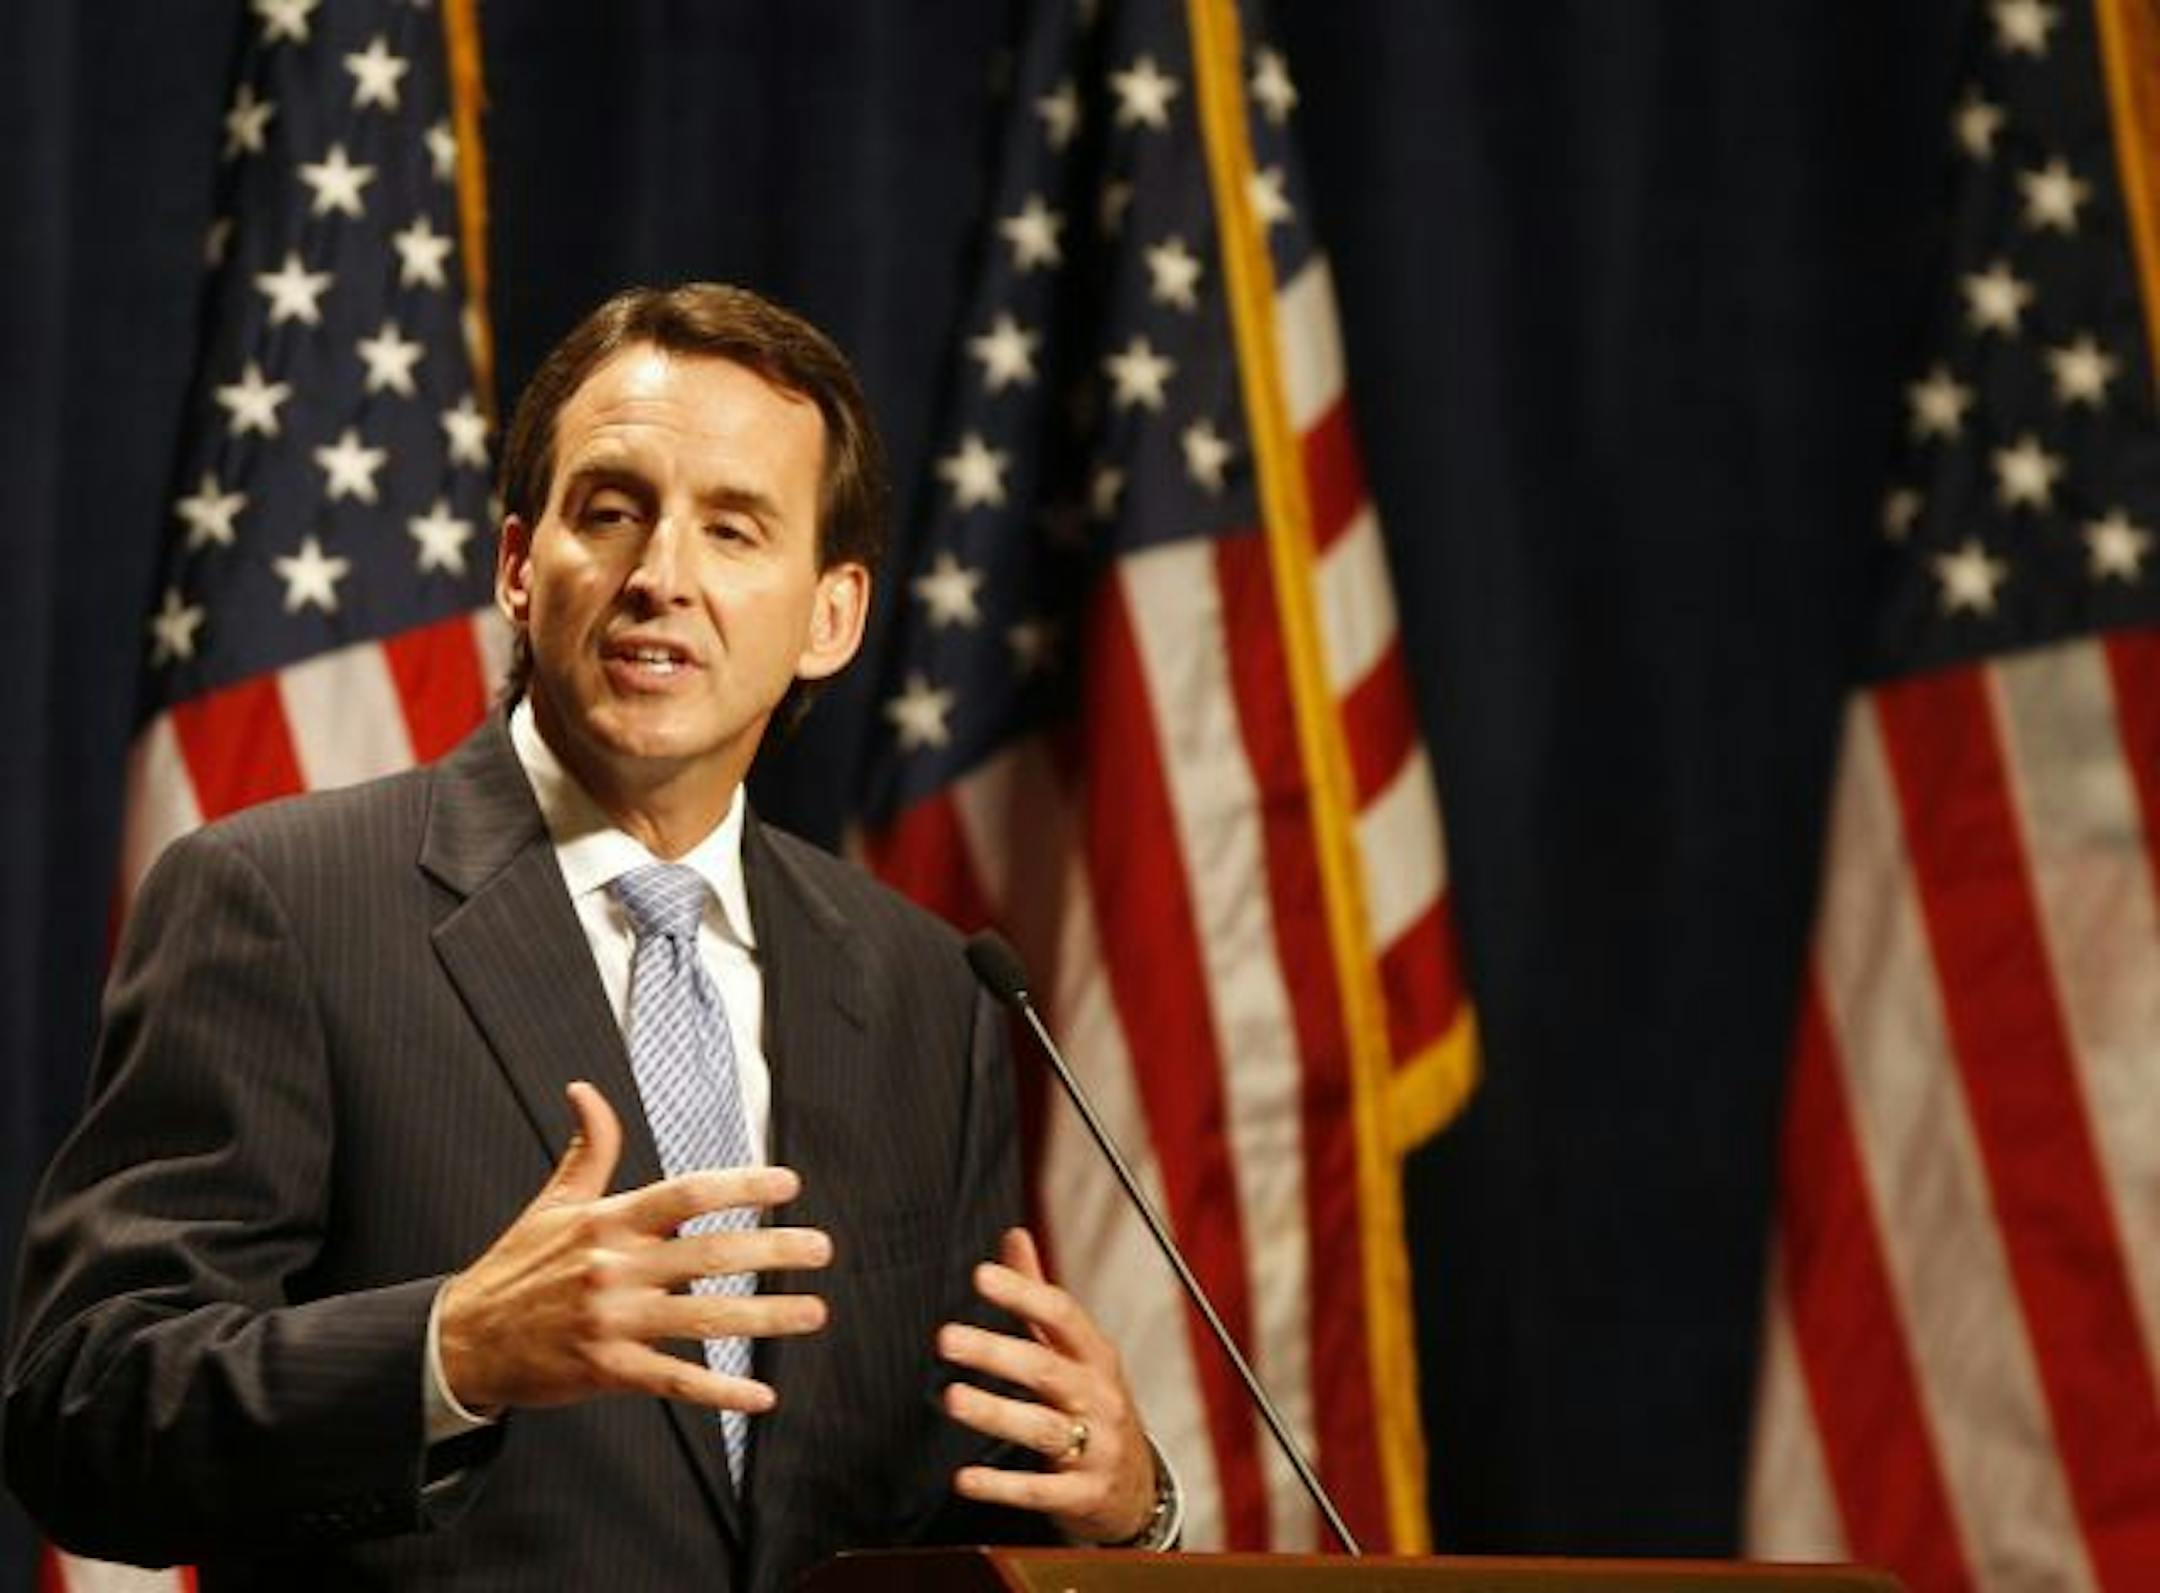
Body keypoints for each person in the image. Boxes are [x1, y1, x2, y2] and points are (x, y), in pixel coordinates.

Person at [4, 283, 1178, 1589]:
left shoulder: (926, 988)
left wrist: (1120, 1506)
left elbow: (927, 1506)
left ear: (830, 617)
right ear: (519, 564)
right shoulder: (281, 902)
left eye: (733, 529)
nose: (660, 577)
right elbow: (81, 1408)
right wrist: (452, 1349)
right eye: (612, 511)